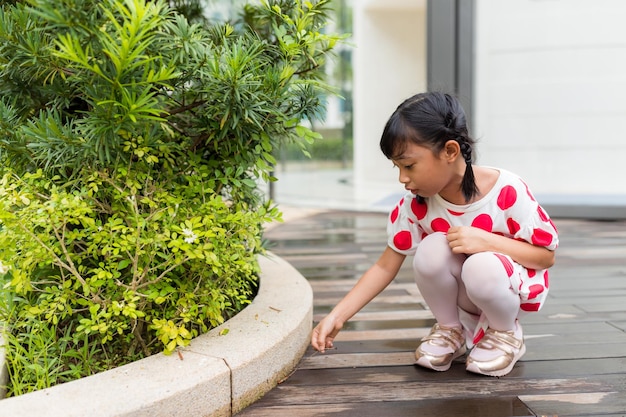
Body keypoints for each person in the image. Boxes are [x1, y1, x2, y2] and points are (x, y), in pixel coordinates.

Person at [311, 92, 558, 377]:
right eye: (398, 167)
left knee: (481, 264)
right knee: (431, 248)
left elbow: (546, 257)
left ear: (450, 151)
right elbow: (384, 266)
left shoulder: (507, 190)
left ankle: (505, 334)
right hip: (465, 294)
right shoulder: (417, 204)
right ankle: (451, 330)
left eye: (409, 165)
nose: (402, 178)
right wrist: (337, 316)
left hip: (503, 292)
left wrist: (486, 241)